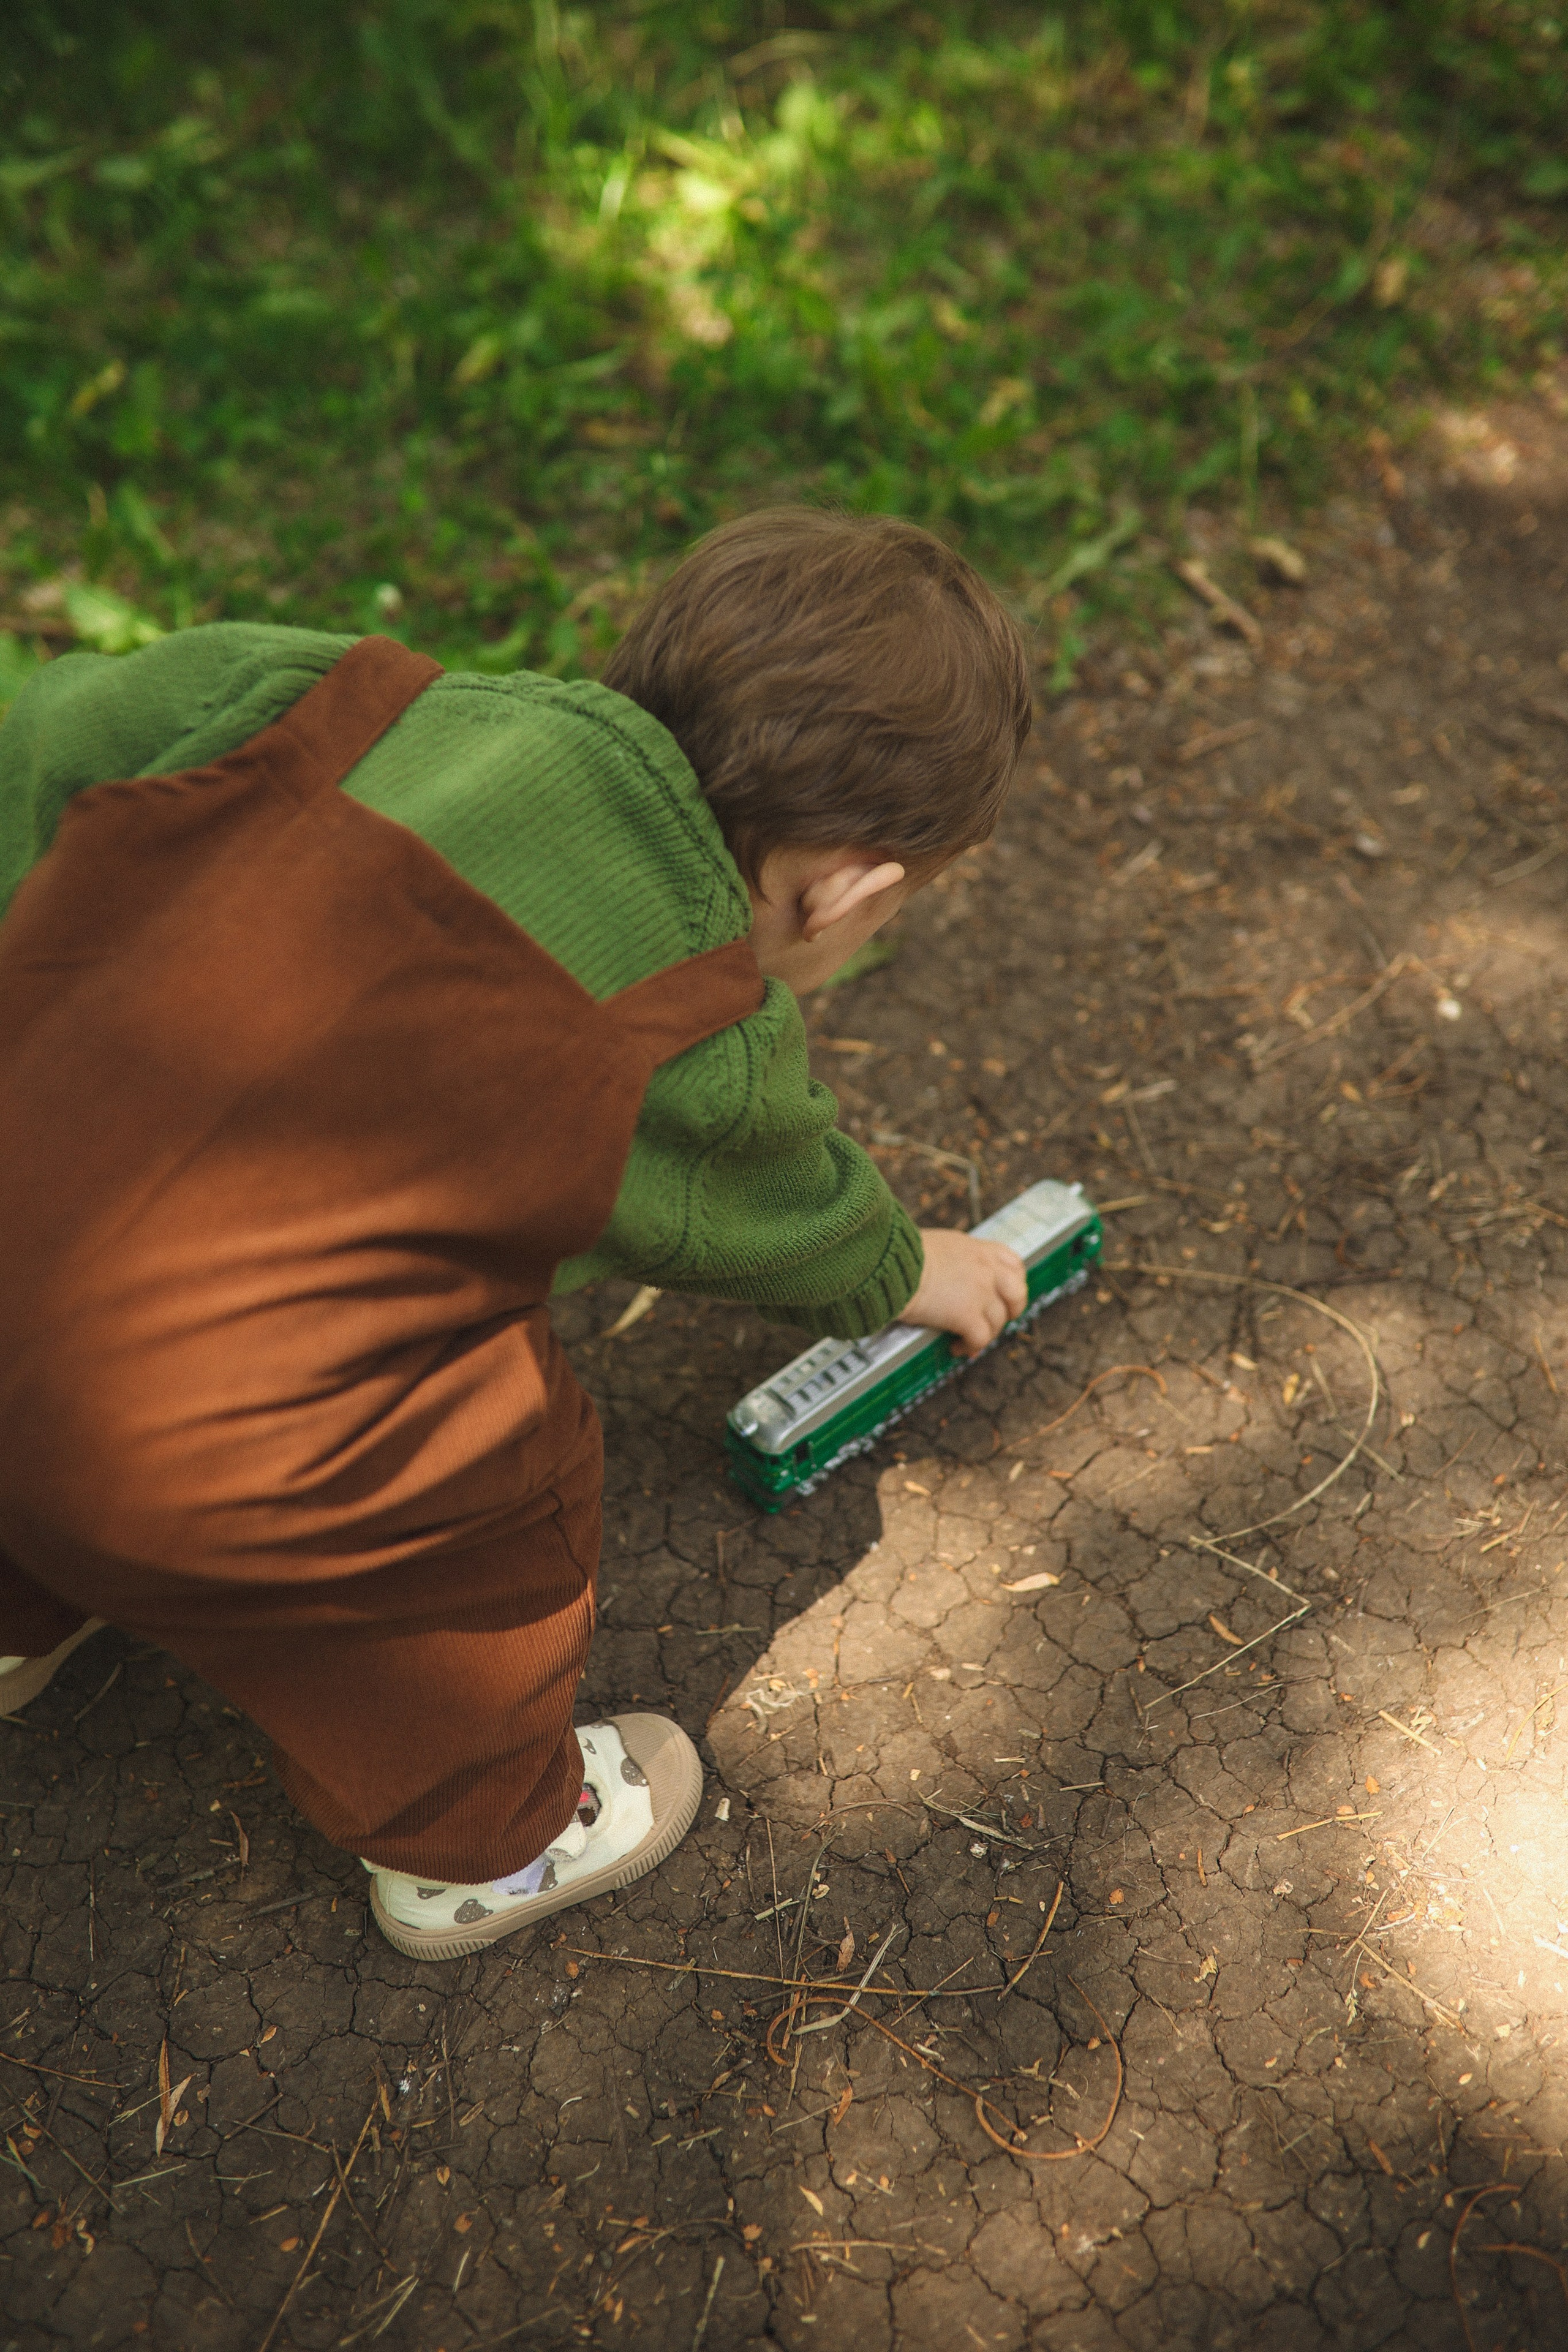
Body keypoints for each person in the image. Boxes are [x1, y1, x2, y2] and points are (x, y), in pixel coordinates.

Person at [0, 507, 1031, 1958]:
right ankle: (478, 1843)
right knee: (500, 1492)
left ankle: (18, 1617)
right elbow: (782, 1208)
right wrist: (897, 1264)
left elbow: (54, 721)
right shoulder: (687, 1028)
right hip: (193, 1467)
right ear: (846, 891)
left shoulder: (337, 694)